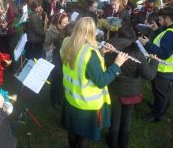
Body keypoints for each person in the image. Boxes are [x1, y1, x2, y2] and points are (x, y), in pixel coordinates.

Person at [60, 17, 129, 148]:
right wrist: (117, 65)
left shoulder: (66, 42)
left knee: (73, 129)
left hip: (71, 98)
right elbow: (101, 81)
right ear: (92, 32)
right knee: (85, 136)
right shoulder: (90, 53)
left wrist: (101, 52)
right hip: (87, 105)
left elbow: (78, 65)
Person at [105, 26, 158, 148]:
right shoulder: (136, 51)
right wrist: (154, 61)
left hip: (114, 87)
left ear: (119, 34)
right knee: (127, 117)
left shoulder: (108, 46)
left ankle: (113, 142)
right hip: (131, 90)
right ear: (132, 37)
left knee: (115, 115)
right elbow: (149, 74)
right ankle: (123, 144)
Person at [138, 6, 173, 122]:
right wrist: (156, 30)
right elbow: (165, 38)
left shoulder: (172, 34)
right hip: (169, 69)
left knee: (160, 94)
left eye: (160, 20)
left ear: (168, 19)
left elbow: (164, 53)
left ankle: (156, 115)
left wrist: (147, 44)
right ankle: (160, 107)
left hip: (165, 70)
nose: (159, 22)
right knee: (164, 93)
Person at [43, 13, 69, 108]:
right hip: (55, 60)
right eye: (65, 23)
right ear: (58, 24)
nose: (67, 24)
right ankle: (54, 101)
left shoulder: (66, 31)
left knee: (62, 81)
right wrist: (49, 48)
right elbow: (45, 46)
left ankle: (60, 99)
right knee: (55, 81)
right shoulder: (51, 32)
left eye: (67, 21)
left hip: (63, 59)